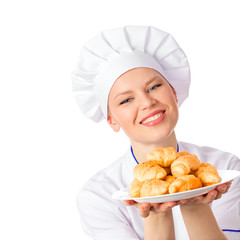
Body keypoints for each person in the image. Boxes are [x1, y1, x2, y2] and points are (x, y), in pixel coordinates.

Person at [72, 26, 240, 240]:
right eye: (126, 100)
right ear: (112, 120)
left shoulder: (225, 170)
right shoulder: (98, 197)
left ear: (174, 92)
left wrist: (196, 205)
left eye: (153, 87)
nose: (147, 102)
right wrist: (156, 216)